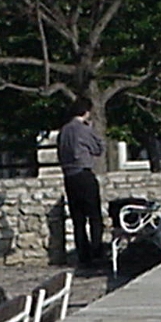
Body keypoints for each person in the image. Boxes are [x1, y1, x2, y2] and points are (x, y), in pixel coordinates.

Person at [57, 97, 105, 268]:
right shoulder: (83, 130)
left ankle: (83, 255)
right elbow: (98, 148)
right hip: (84, 174)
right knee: (94, 216)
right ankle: (97, 251)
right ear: (86, 112)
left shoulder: (63, 131)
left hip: (69, 176)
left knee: (78, 219)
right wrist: (92, 131)